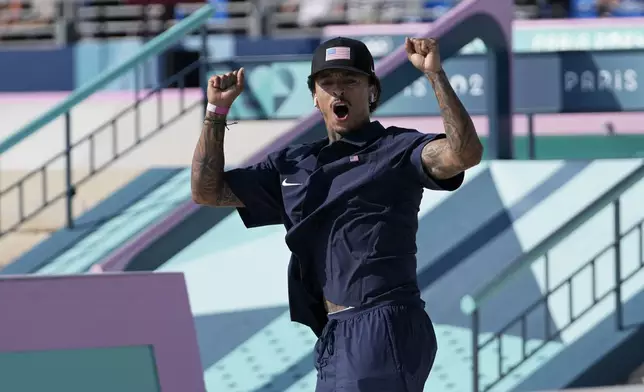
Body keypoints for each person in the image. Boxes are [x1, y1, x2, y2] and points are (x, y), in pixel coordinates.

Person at [191, 36, 483, 392]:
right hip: (335, 332)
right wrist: (216, 113)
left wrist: (436, 76)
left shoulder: (396, 149)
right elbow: (206, 192)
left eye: (350, 81)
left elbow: (463, 154)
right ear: (314, 95)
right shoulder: (292, 164)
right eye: (327, 83)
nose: (338, 92)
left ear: (372, 91)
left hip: (381, 322)